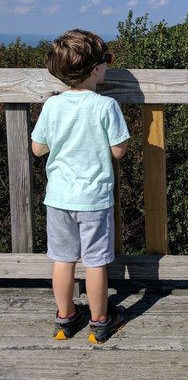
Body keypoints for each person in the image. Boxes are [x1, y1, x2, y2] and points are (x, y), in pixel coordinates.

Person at [31, 29, 130, 344]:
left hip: (59, 198)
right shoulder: (105, 106)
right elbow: (118, 150)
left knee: (63, 260)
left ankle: (66, 317)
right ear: (96, 69)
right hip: (94, 200)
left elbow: (37, 148)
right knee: (95, 263)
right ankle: (100, 321)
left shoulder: (53, 106)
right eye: (106, 61)